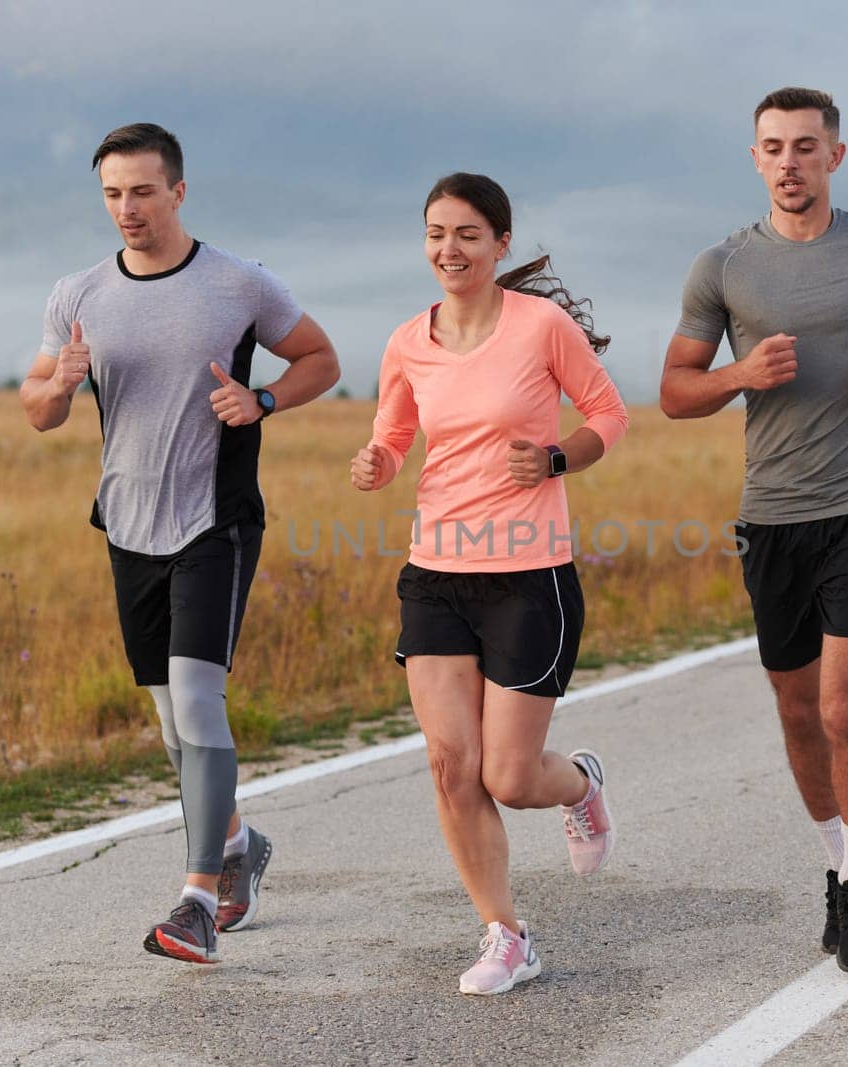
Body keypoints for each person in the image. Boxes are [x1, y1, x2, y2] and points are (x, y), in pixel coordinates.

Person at [20, 122, 340, 964]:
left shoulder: (239, 283)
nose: (127, 208)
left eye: (143, 191)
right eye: (112, 194)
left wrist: (263, 402)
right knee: (171, 725)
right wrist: (55, 386)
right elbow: (39, 405)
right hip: (127, 523)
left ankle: (197, 900)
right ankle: (240, 844)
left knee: (199, 706)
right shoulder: (79, 292)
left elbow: (320, 357)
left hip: (215, 519)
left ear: (179, 191)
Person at [659, 88, 848, 973]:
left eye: (805, 147)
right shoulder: (723, 267)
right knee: (795, 710)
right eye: (773, 147)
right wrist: (739, 373)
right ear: (756, 158)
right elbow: (675, 389)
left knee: (840, 706)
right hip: (772, 516)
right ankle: (839, 862)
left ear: (836, 155)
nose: (789, 162)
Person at [349, 173, 628, 996]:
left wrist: (553, 458)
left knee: (508, 775)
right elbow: (394, 434)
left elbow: (608, 415)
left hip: (527, 575)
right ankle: (506, 934)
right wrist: (379, 462)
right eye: (437, 233)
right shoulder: (408, 340)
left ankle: (579, 783)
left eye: (468, 234)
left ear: (500, 244)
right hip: (436, 572)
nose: (450, 249)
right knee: (449, 765)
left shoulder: (539, 326)